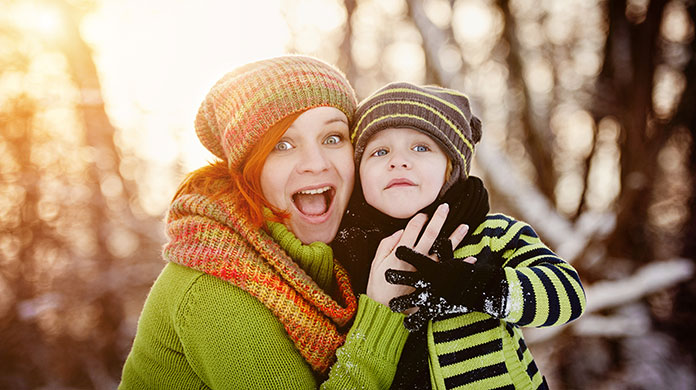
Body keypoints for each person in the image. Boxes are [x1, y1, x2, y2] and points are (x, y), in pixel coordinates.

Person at [118, 56, 465, 389]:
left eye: (332, 139)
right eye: (283, 144)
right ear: (249, 170)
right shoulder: (214, 289)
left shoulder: (346, 252)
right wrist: (382, 314)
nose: (315, 163)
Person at [333, 82, 587, 389]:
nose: (398, 161)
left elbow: (569, 294)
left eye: (421, 147)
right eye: (380, 151)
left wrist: (483, 287)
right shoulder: (343, 255)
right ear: (359, 172)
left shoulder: (491, 235)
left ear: (450, 168)